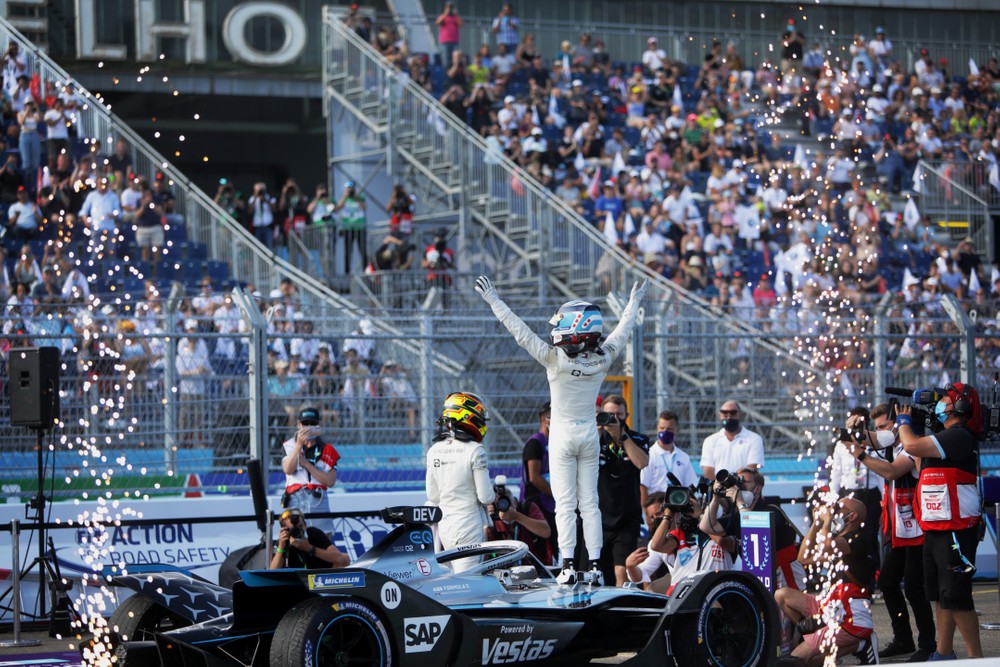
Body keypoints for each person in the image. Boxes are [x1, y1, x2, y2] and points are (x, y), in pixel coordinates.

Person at [475, 275, 648, 586]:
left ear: (575, 329)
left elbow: (520, 332)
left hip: (563, 436)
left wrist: (494, 301)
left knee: (566, 505)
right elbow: (623, 331)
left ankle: (567, 565)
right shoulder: (603, 359)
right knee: (590, 505)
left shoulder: (554, 360)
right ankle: (594, 568)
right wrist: (633, 303)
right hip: (589, 436)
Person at [898, 383, 984, 660]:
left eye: (945, 399)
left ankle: (977, 658)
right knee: (940, 595)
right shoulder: (942, 438)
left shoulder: (959, 435)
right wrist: (920, 429)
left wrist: (904, 422)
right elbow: (919, 460)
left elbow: (910, 445)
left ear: (960, 406)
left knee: (957, 597)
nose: (939, 404)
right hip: (937, 527)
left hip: (956, 530)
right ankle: (943, 653)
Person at [843, 402, 935, 661]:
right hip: (897, 530)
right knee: (887, 583)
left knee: (914, 588)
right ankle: (903, 639)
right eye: (877, 427)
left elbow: (893, 472)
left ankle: (928, 644)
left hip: (917, 529)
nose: (880, 431)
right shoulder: (890, 445)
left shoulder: (913, 445)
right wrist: (853, 430)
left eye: (884, 426)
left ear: (898, 424)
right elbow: (867, 440)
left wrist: (861, 456)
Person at [775, 498, 877, 666]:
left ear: (852, 516)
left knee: (797, 660)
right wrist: (816, 524)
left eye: (838, 508)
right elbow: (803, 558)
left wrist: (827, 519)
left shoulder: (856, 539)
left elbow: (826, 546)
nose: (834, 511)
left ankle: (861, 645)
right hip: (830, 609)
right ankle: (813, 635)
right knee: (782, 595)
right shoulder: (837, 541)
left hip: (849, 619)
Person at [425, 392, 494, 572]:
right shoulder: (475, 450)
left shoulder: (434, 450)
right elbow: (486, 497)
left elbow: (433, 496)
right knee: (469, 581)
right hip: (469, 526)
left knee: (450, 581)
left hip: (445, 527)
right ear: (468, 415)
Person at [596, 395, 649, 586]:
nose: (614, 418)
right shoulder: (593, 438)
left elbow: (642, 462)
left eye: (618, 414)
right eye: (609, 414)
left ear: (627, 415)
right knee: (594, 572)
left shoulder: (637, 438)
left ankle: (621, 604)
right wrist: (597, 431)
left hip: (627, 518)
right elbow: (581, 459)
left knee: (622, 571)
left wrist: (622, 436)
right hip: (598, 517)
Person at [281, 407, 340, 536]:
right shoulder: (289, 446)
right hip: (295, 500)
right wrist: (298, 446)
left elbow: (330, 481)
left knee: (324, 541)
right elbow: (288, 469)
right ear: (298, 424)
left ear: (319, 425)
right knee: (294, 540)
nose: (308, 427)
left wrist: (307, 465)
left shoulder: (327, 449)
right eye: (305, 423)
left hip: (318, 500)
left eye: (313, 423)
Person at [640, 410, 699, 507]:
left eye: (669, 429)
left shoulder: (683, 457)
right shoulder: (649, 455)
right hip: (656, 507)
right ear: (657, 428)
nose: (665, 432)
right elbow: (643, 486)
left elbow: (691, 484)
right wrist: (646, 511)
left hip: (678, 505)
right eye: (662, 428)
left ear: (677, 430)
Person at [699, 400, 765, 480]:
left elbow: (752, 469)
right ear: (720, 415)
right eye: (724, 413)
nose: (729, 417)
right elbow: (708, 471)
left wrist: (736, 486)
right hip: (718, 487)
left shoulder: (754, 439)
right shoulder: (710, 441)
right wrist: (719, 486)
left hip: (744, 487)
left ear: (740, 415)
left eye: (733, 413)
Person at [521, 401, 556, 547]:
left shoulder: (557, 441)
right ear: (544, 419)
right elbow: (534, 477)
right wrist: (558, 495)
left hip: (552, 502)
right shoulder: (535, 443)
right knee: (543, 545)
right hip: (538, 502)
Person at [269, 507, 349, 569]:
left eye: (301, 526)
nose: (298, 531)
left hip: (318, 578)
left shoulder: (313, 533)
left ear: (305, 525)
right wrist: (281, 547)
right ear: (284, 530)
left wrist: (309, 548)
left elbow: (343, 560)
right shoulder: (283, 541)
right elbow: (273, 571)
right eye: (293, 529)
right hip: (294, 580)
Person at [624, 492, 672, 593]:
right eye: (651, 517)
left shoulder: (693, 527)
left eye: (658, 514)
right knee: (652, 589)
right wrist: (630, 566)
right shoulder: (648, 541)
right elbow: (643, 573)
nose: (655, 519)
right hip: (671, 580)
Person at [333, 181, 367, 273]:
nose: (349, 190)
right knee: (348, 252)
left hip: (360, 228)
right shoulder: (344, 198)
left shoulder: (359, 197)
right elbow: (337, 208)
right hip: (348, 229)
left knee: (363, 251)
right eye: (347, 188)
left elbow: (365, 207)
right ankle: (347, 272)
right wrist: (345, 196)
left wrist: (355, 197)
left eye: (351, 188)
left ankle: (365, 271)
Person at [435, 2, 462, 67]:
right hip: (445, 42)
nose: (449, 9)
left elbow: (460, 24)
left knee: (455, 60)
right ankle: (446, 72)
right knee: (446, 61)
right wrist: (445, 14)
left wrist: (456, 14)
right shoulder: (442, 16)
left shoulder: (456, 17)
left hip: (455, 42)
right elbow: (437, 22)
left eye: (451, 7)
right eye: (448, 7)